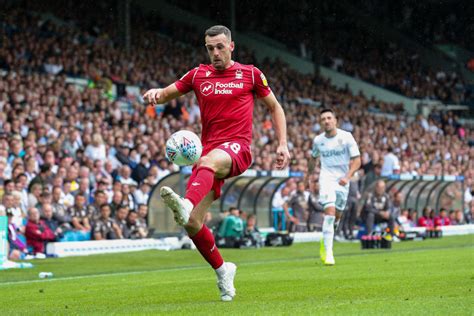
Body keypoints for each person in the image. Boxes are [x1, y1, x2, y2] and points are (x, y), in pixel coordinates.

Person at [143, 25, 290, 301]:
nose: (215, 53)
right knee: (192, 225)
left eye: (220, 47)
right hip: (208, 154)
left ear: (231, 46)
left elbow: (275, 107)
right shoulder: (198, 75)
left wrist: (282, 143)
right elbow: (167, 92)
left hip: (237, 148)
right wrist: (154, 94)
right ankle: (223, 271)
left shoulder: (251, 74)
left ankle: (184, 204)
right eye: (210, 48)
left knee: (205, 168)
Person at [309, 108, 361, 265]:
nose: (326, 121)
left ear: (335, 120)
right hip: (326, 179)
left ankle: (326, 239)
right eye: (323, 119)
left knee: (337, 216)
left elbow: (357, 160)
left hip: (343, 180)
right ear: (321, 123)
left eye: (329, 118)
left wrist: (348, 176)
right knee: (330, 213)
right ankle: (329, 254)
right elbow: (313, 158)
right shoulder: (318, 140)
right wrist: (308, 176)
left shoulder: (346, 137)